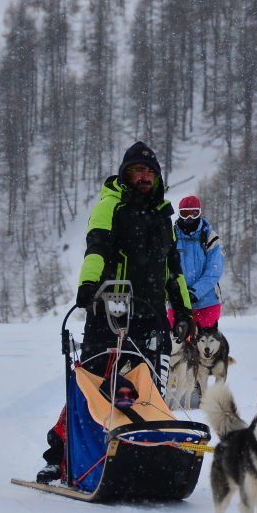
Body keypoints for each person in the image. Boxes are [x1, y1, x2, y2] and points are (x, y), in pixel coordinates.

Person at [37, 141, 195, 483]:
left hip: (151, 317)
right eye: (138, 171)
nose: (145, 177)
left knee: (148, 393)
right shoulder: (110, 206)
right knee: (94, 387)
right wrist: (88, 286)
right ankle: (61, 455)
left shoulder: (163, 216)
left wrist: (183, 310)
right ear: (125, 174)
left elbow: (174, 270)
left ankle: (146, 458)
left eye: (150, 172)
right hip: (111, 313)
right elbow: (97, 249)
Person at [165, 195, 224, 329]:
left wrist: (195, 292)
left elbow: (214, 270)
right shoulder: (171, 236)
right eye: (185, 214)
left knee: (206, 344)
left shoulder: (209, 236)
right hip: (178, 302)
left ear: (200, 212)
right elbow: (165, 267)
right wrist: (176, 292)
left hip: (207, 302)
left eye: (194, 213)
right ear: (179, 214)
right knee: (178, 342)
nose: (189, 218)